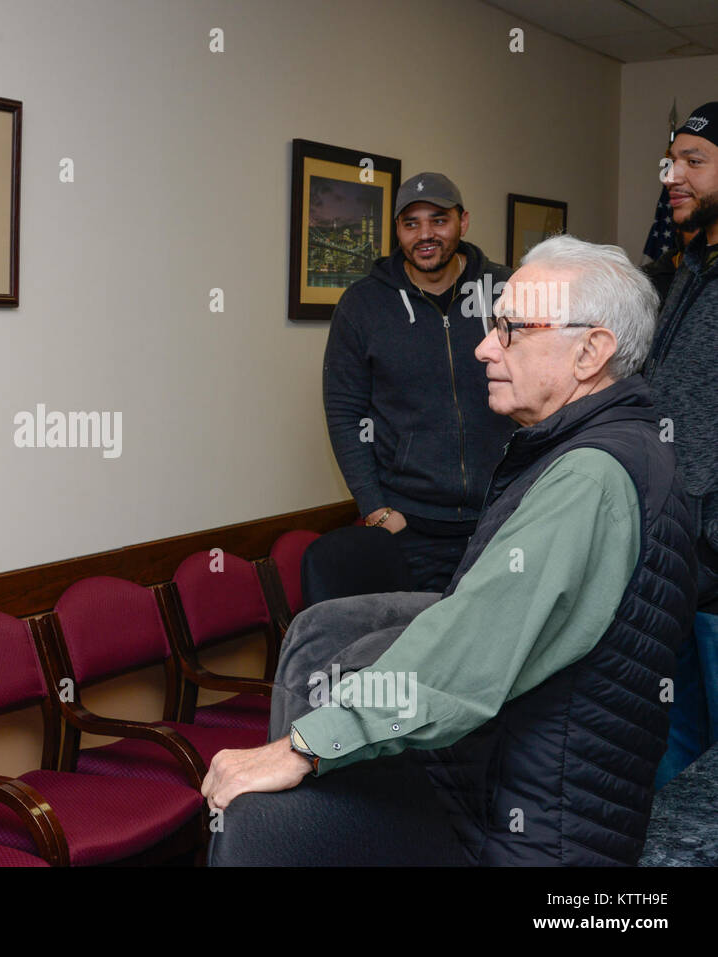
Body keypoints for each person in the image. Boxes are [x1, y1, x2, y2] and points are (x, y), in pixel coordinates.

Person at [205, 236, 695, 865]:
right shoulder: (618, 447)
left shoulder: (589, 477)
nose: (485, 347)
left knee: (260, 824)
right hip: (510, 798)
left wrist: (300, 746)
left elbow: (476, 643)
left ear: (590, 351)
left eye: (512, 329)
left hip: (530, 837)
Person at [323, 172, 514, 592]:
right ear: (397, 231)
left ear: (462, 222)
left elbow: (549, 391)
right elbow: (345, 415)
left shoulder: (507, 291)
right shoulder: (363, 305)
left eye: (438, 220)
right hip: (412, 530)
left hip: (504, 521)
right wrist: (376, 510)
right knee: (422, 648)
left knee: (504, 649)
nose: (425, 234)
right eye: (411, 223)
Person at [645, 101, 718, 788]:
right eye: (672, 161)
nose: (675, 176)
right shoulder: (689, 265)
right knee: (677, 747)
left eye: (694, 161)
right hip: (679, 564)